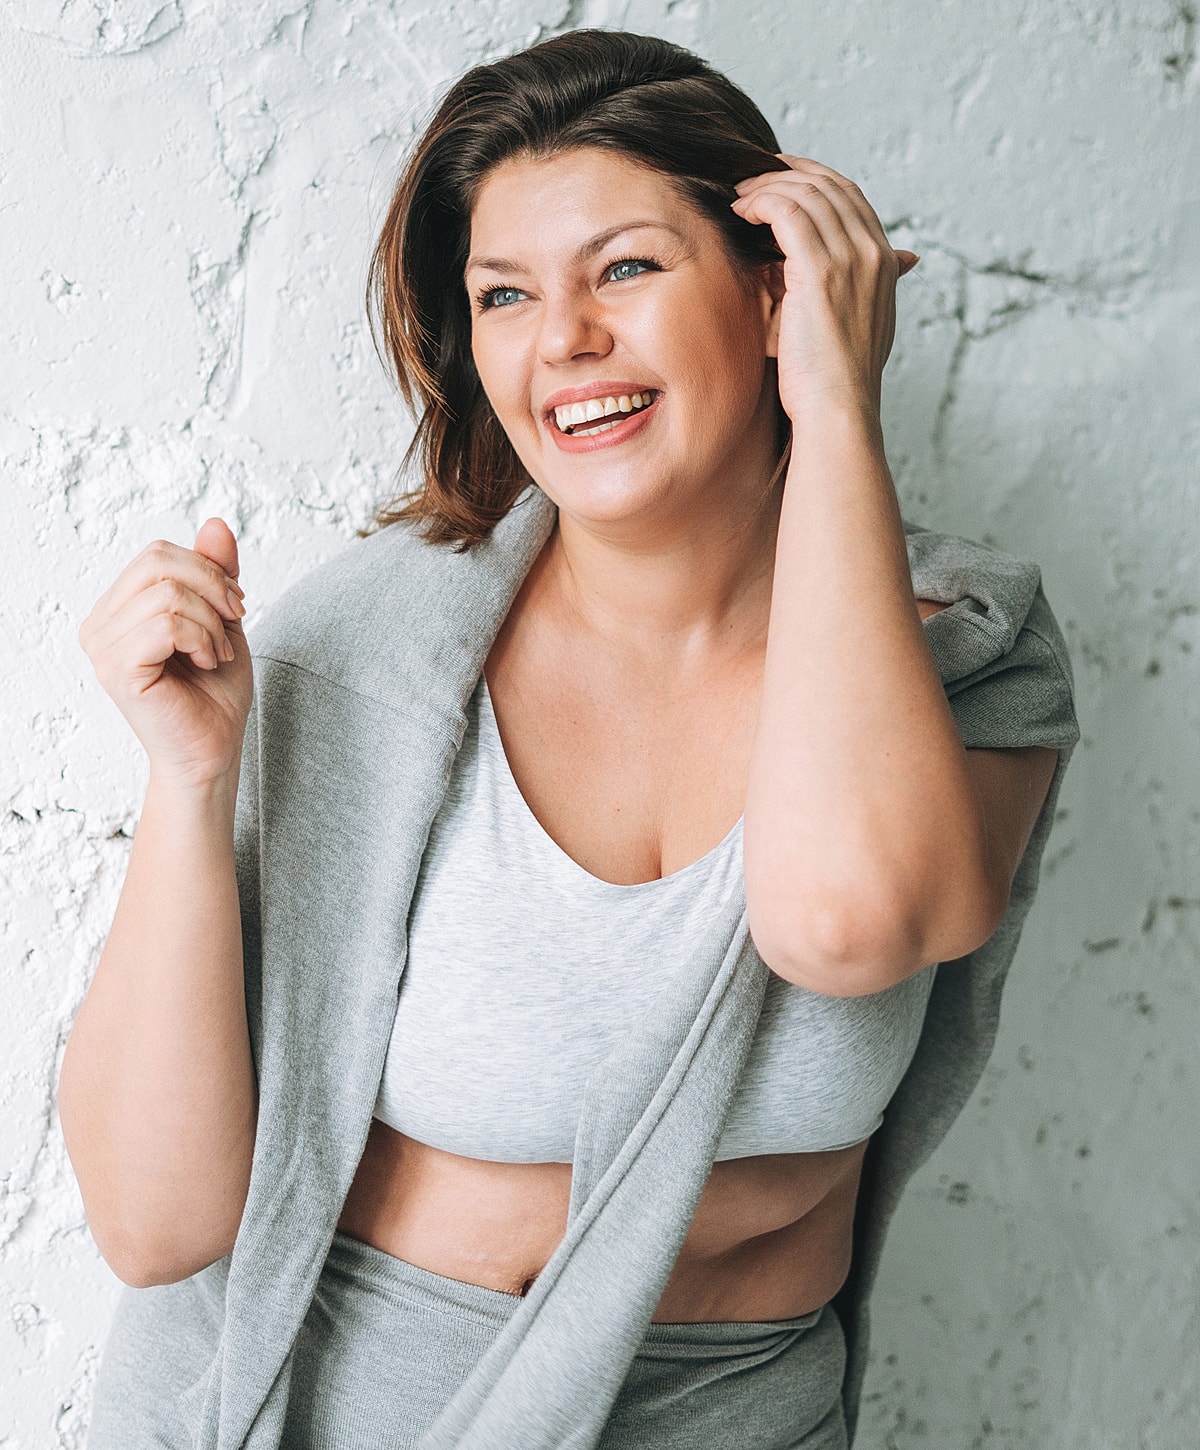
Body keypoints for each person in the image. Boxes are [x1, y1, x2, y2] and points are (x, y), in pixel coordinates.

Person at [61, 28, 1079, 1450]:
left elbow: (849, 922)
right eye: (504, 294)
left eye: (627, 268)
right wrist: (189, 779)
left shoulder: (966, 652)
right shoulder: (369, 652)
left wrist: (840, 406)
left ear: (775, 290)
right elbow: (153, 1221)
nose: (564, 340)